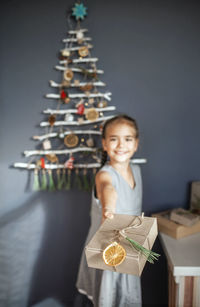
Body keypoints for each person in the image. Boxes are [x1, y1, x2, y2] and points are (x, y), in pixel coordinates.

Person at [75, 114, 143, 307]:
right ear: (104, 144)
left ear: (136, 144)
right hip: (109, 250)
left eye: (127, 139)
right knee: (109, 297)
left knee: (127, 295)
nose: (121, 145)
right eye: (114, 139)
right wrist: (109, 211)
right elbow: (108, 189)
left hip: (130, 246)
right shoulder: (104, 174)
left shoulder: (136, 170)